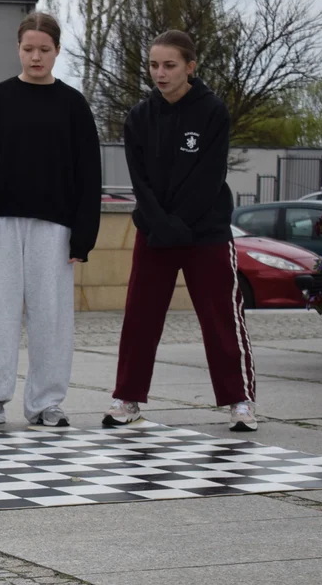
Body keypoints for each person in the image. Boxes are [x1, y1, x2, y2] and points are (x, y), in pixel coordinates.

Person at [104, 30, 256, 432]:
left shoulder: (212, 111)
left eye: (169, 65)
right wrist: (161, 224)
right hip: (155, 233)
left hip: (205, 232)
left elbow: (209, 176)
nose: (160, 73)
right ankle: (128, 399)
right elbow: (140, 181)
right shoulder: (139, 117)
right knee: (140, 317)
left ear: (190, 67)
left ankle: (239, 401)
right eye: (154, 65)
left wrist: (180, 224)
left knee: (221, 317)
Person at [0, 11, 101, 429]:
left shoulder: (73, 105)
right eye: (28, 49)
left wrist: (83, 236)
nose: (35, 57)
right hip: (2, 226)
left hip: (56, 226)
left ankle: (46, 403)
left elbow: (89, 173)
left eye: (44, 50)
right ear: (18, 49)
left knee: (52, 316)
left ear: (57, 50)